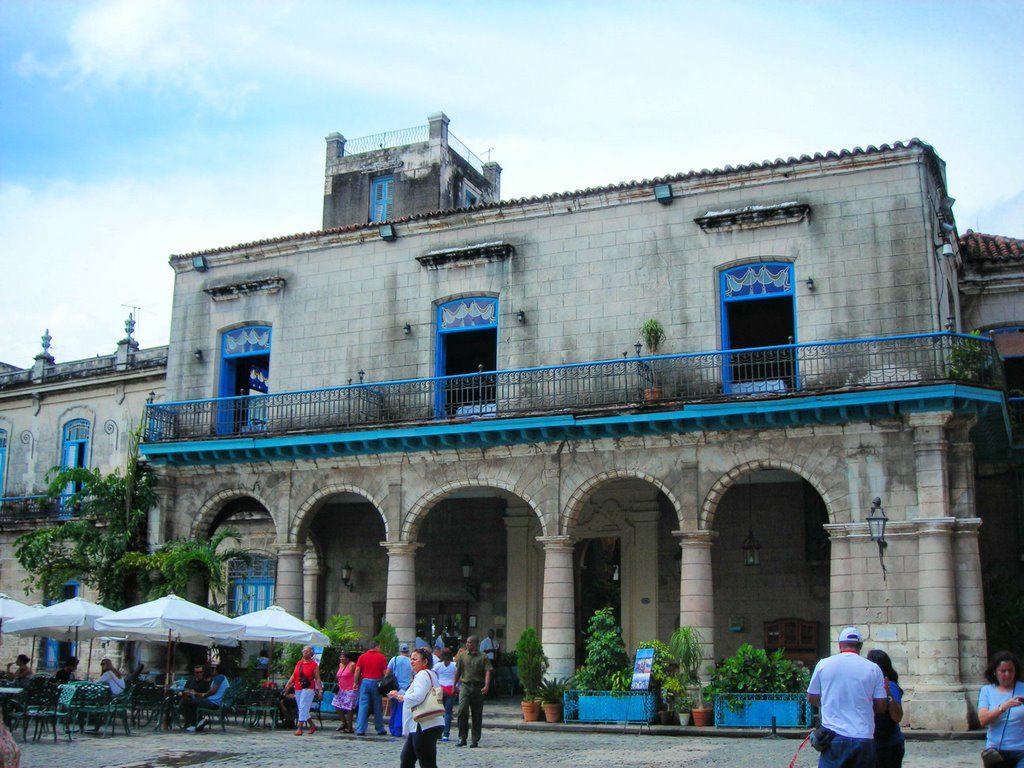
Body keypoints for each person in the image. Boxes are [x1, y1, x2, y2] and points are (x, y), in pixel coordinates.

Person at [806, 626, 887, 768]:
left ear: (840, 645)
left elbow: (812, 697)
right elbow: (881, 706)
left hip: (834, 736)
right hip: (863, 736)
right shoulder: (873, 669)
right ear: (860, 646)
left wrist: (829, 703)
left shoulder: (823, 664)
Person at [387, 647, 444, 768]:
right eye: (411, 659)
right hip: (424, 723)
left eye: (415, 659)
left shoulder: (422, 675)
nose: (411, 662)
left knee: (425, 762)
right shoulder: (430, 674)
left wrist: (400, 696)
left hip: (423, 724)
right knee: (407, 759)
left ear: (425, 662)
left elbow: (418, 696)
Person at [978, 651, 1024, 767]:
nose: (1007, 674)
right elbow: (983, 720)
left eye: (1011, 670)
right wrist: (1002, 707)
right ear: (994, 672)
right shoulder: (986, 690)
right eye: (1003, 671)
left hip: (1021, 750)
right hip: (996, 752)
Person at [866, 649, 904, 768]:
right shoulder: (868, 685)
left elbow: (897, 717)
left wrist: (888, 695)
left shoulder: (890, 686)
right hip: (872, 743)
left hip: (888, 744)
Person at [454, 634, 492, 748]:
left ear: (475, 644)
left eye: (470, 642)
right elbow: (458, 670)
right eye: (467, 642)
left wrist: (486, 685)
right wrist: (454, 684)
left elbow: (488, 671)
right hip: (465, 686)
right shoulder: (462, 656)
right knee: (462, 710)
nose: (467, 644)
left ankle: (475, 739)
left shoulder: (483, 657)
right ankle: (462, 737)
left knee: (477, 714)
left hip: (478, 687)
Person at [285, 645, 322, 736]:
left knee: (302, 707)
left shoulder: (314, 665)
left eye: (307, 651)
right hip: (298, 687)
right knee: (302, 708)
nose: (305, 653)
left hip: (308, 688)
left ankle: (299, 728)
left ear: (311, 654)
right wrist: (289, 683)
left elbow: (317, 678)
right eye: (304, 651)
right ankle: (312, 725)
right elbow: (294, 674)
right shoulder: (299, 663)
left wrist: (320, 690)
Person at [354, 640, 388, 736]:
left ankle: (360, 729)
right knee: (377, 706)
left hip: (365, 681)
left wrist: (355, 682)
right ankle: (379, 728)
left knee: (363, 706)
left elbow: (357, 669)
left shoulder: (362, 656)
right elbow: (385, 672)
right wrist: (385, 683)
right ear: (377, 647)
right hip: (376, 682)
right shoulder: (382, 657)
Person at [182, 664, 230, 733]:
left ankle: (195, 724)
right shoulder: (223, 678)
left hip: (213, 703)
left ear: (217, 670)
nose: (213, 670)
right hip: (215, 702)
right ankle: (199, 721)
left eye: (214, 669)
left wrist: (204, 695)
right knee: (191, 701)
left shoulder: (219, 677)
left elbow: (213, 691)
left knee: (189, 702)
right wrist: (198, 694)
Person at [388, 644, 414, 736]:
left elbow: (388, 672)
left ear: (400, 651)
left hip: (394, 687)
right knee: (400, 709)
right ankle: (398, 729)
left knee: (393, 708)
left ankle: (392, 728)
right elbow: (414, 674)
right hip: (405, 688)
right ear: (408, 651)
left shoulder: (394, 659)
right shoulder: (410, 661)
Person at [331, 650, 358, 733]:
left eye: (343, 657)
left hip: (350, 690)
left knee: (349, 708)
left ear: (347, 658)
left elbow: (357, 675)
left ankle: (350, 727)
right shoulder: (341, 665)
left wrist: (356, 683)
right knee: (336, 705)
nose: (341, 659)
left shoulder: (352, 665)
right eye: (341, 657)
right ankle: (344, 723)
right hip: (341, 689)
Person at [435, 647, 457, 742]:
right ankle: (446, 734)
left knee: (439, 712)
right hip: (451, 689)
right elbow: (458, 676)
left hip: (440, 689)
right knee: (448, 713)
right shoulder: (454, 665)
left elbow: (434, 676)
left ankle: (438, 733)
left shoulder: (437, 666)